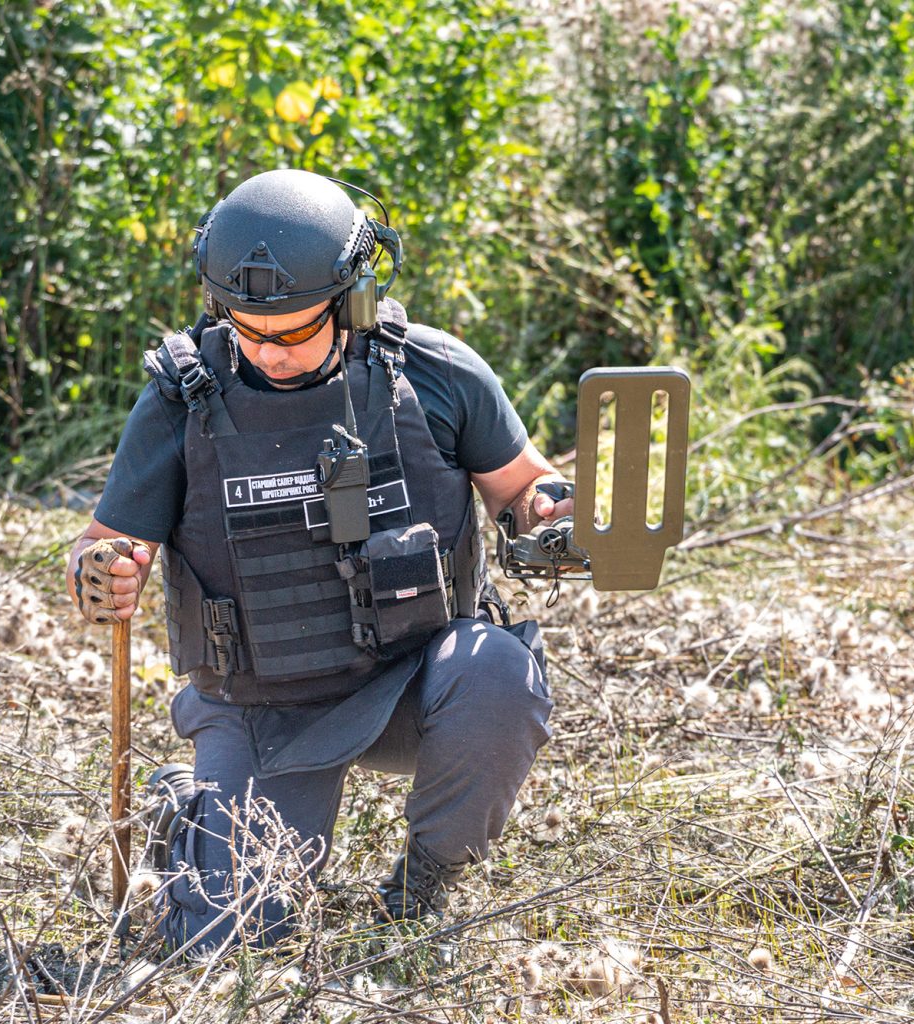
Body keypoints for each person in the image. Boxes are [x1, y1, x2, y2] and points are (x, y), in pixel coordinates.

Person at [67, 168, 574, 956]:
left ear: (351, 302)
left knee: (499, 670)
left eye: (295, 331)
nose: (269, 353)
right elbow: (103, 543)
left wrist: (551, 513)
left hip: (413, 677)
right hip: (263, 702)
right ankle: (187, 813)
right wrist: (104, 571)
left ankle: (424, 883)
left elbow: (524, 485)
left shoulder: (436, 375)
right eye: (249, 330)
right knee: (236, 939)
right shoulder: (179, 403)